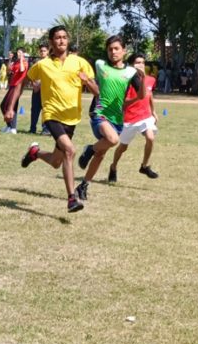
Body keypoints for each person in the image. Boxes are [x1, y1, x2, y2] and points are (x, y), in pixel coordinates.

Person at [20, 26, 98, 213]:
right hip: (51, 115)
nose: (61, 40)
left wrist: (87, 81)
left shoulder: (80, 62)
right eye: (57, 37)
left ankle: (35, 153)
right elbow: (25, 80)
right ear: (51, 42)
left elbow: (97, 92)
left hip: (71, 118)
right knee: (70, 151)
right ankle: (71, 199)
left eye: (64, 37)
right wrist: (11, 104)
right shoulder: (43, 65)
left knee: (56, 161)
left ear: (68, 40)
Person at [75, 35, 145, 200]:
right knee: (113, 140)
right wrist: (87, 81)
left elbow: (142, 96)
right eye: (110, 49)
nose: (113, 52)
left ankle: (83, 185)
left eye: (116, 49)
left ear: (124, 51)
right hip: (99, 114)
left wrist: (142, 79)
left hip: (117, 119)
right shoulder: (100, 65)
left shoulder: (131, 72)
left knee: (100, 154)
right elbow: (96, 89)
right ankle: (89, 149)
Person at [108, 53, 159, 182]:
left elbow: (149, 95)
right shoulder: (124, 81)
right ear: (131, 65)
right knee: (122, 147)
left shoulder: (150, 79)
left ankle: (144, 166)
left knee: (150, 137)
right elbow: (122, 103)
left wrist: (153, 111)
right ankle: (113, 167)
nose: (141, 65)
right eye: (137, 62)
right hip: (129, 118)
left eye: (142, 62)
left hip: (145, 115)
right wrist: (137, 98)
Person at [0, 48, 27, 134]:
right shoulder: (16, 62)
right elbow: (9, 71)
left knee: (12, 107)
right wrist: (10, 59)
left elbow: (22, 70)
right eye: (18, 52)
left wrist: (22, 59)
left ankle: (13, 128)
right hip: (12, 85)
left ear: (23, 54)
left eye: (20, 52)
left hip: (17, 87)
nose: (18, 54)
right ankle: (9, 126)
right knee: (3, 105)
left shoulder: (24, 62)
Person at [29, 43, 49, 134]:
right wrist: (34, 84)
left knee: (46, 110)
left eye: (44, 51)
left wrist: (40, 84)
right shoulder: (37, 63)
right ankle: (32, 129)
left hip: (46, 90)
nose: (42, 52)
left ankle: (45, 129)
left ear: (48, 52)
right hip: (36, 90)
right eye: (41, 51)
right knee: (34, 109)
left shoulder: (50, 63)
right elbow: (31, 75)